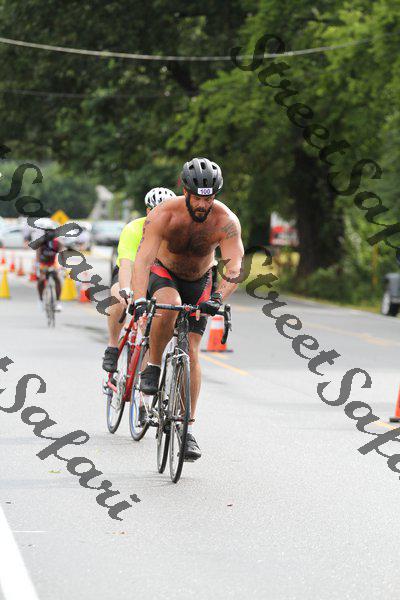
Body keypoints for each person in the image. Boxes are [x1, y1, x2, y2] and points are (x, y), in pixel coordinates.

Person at [133, 158, 244, 461]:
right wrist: (139, 299)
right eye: (197, 197)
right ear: (185, 191)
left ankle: (187, 429)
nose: (203, 204)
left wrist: (217, 298)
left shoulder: (226, 221)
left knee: (192, 351)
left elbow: (235, 266)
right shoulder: (164, 215)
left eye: (209, 198)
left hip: (201, 279)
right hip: (164, 272)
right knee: (170, 306)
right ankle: (154, 365)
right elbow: (143, 260)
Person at [102, 187, 175, 373]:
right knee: (118, 296)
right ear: (148, 211)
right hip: (131, 271)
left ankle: (143, 382)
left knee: (152, 333)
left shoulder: (176, 231)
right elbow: (126, 265)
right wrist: (126, 291)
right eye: (157, 212)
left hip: (157, 276)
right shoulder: (134, 228)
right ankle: (112, 346)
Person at [34, 218, 63, 311]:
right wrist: (37, 266)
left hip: (53, 264)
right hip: (43, 264)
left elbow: (61, 255)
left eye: (51, 231)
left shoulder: (57, 243)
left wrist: (62, 266)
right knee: (41, 279)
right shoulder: (41, 243)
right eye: (47, 231)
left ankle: (58, 302)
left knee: (57, 279)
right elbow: (38, 255)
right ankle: (40, 300)